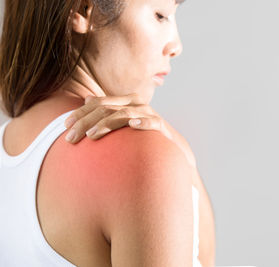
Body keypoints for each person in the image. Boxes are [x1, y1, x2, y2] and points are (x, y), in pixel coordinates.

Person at [0, 0, 215, 266]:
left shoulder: (8, 143)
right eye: (161, 15)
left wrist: (183, 155)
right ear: (83, 11)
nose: (176, 46)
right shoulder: (142, 159)